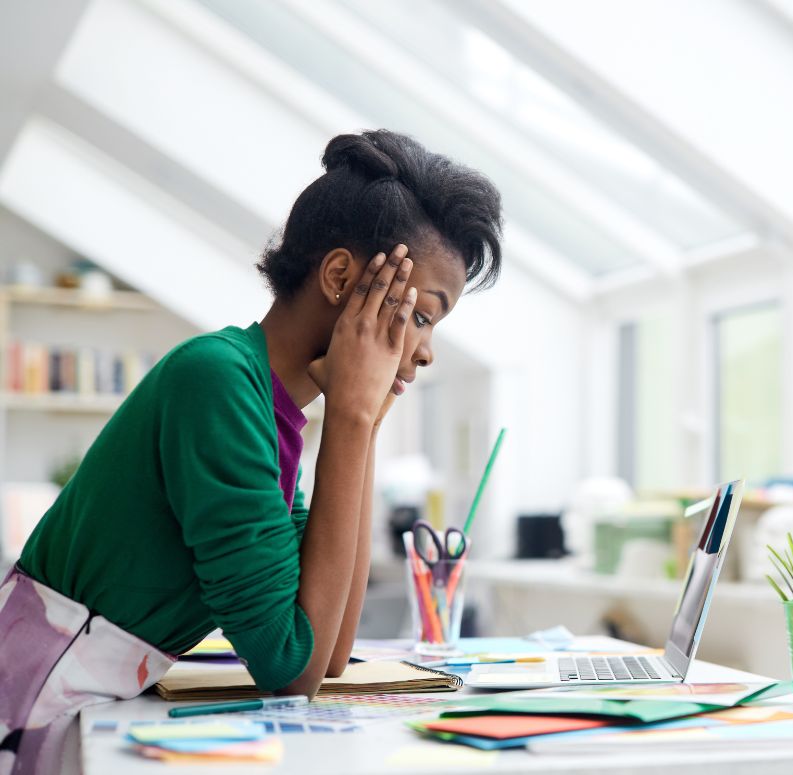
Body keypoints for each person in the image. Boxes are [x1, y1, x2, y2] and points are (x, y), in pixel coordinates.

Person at [0, 129, 502, 775]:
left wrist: (365, 424)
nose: (427, 351)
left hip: (83, 699)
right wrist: (350, 416)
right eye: (425, 316)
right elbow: (289, 668)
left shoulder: (266, 409)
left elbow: (329, 649)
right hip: (35, 707)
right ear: (342, 276)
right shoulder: (214, 379)